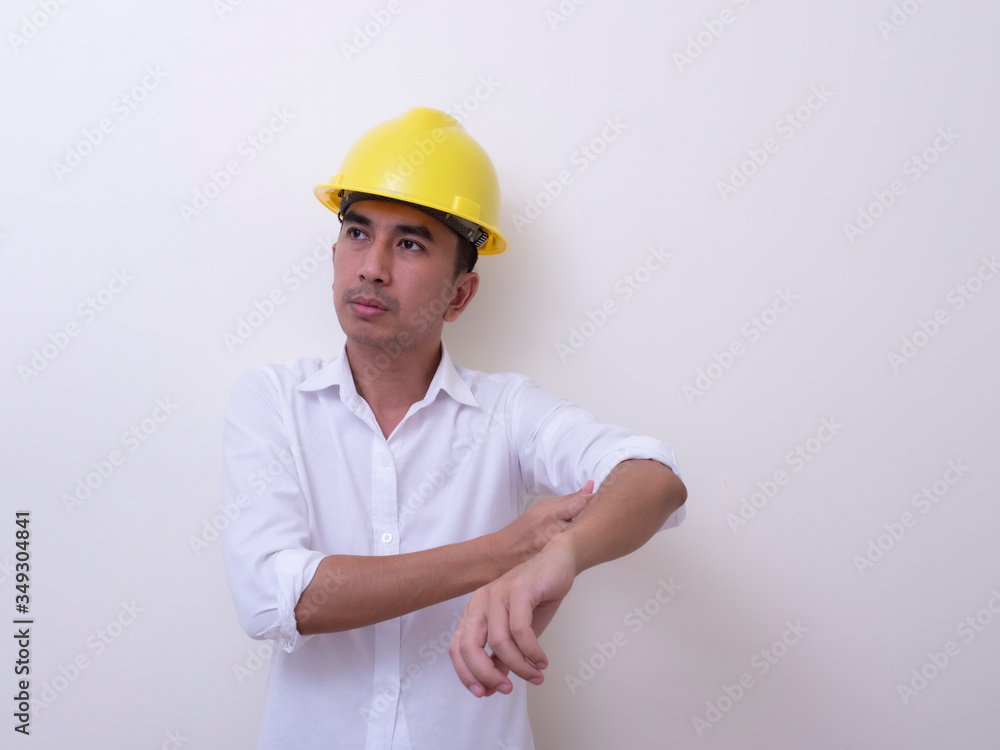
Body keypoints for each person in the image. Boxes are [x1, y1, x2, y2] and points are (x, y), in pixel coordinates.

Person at [220, 107, 687, 750]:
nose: (372, 267)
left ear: (460, 295)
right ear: (335, 255)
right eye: (358, 234)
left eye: (409, 244)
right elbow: (276, 597)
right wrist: (503, 551)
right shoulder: (273, 401)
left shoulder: (509, 414)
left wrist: (560, 557)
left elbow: (653, 478)